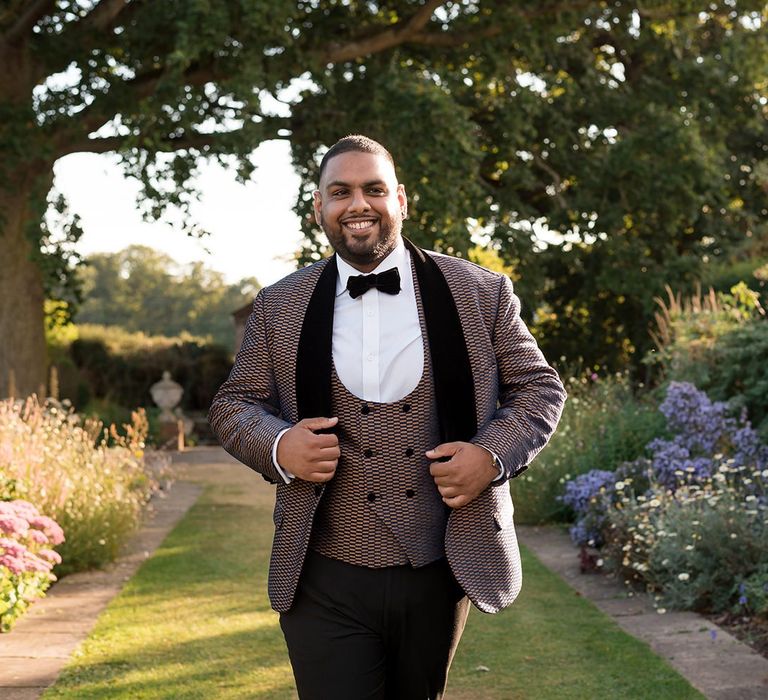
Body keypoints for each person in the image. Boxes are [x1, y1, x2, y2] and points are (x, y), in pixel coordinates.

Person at [209, 134, 566, 699]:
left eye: (374, 189)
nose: (358, 204)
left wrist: (490, 456)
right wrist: (280, 444)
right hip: (322, 571)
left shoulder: (479, 291)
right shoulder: (279, 304)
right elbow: (234, 406)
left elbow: (539, 389)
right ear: (318, 208)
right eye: (340, 191)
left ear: (401, 199)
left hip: (439, 563)